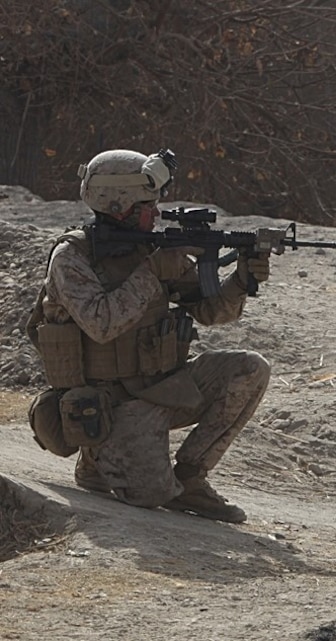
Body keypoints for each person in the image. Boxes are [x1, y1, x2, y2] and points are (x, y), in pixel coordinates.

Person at [26, 148, 271, 523]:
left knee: (250, 369)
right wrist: (152, 270)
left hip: (162, 386)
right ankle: (95, 453)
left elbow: (210, 311)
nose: (156, 213)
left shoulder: (151, 249)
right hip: (112, 402)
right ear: (119, 204)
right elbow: (100, 323)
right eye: (147, 205)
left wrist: (241, 280)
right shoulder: (72, 256)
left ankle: (190, 477)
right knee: (151, 495)